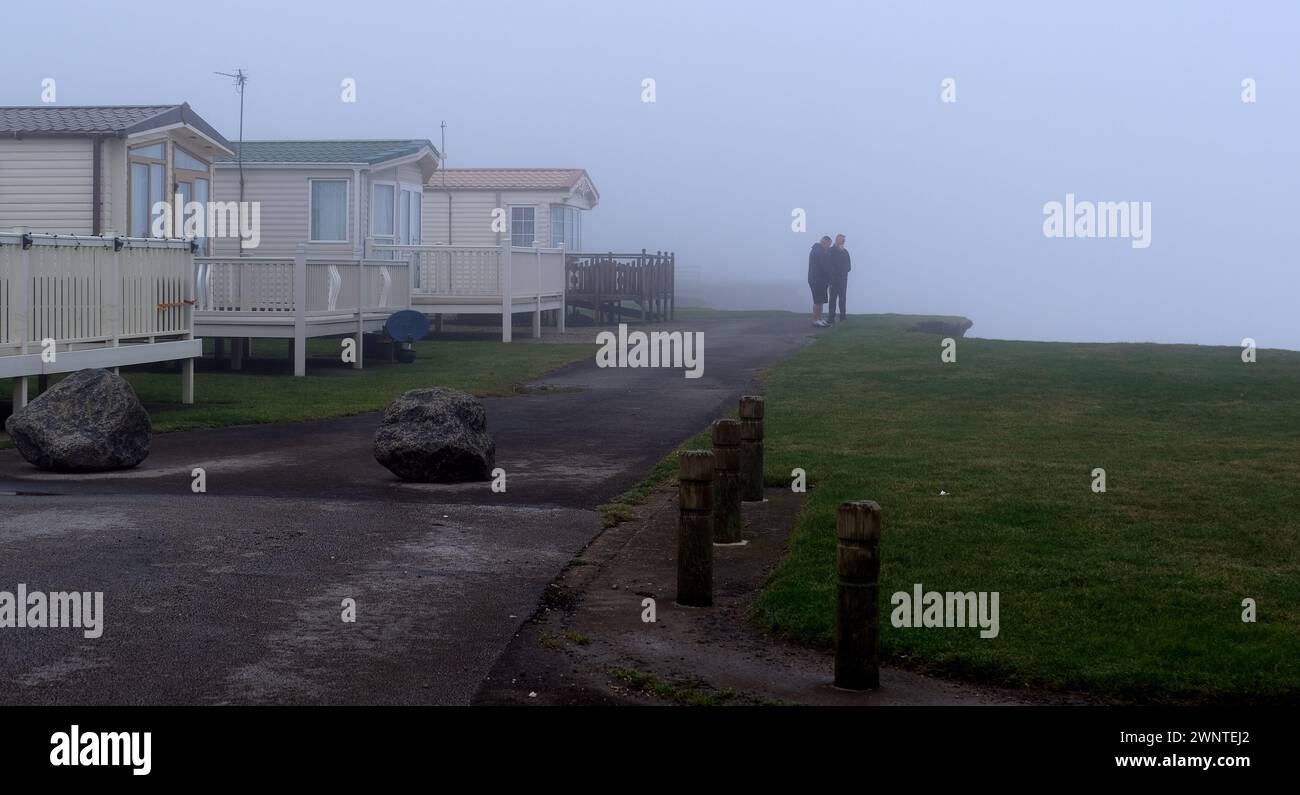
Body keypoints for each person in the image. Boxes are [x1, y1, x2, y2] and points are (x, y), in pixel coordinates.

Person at [808, 235, 832, 327]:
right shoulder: (819, 251)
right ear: (824, 242)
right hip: (817, 280)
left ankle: (819, 319)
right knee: (818, 301)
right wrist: (831, 275)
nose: (829, 246)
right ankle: (816, 320)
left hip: (820, 280)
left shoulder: (820, 250)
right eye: (828, 244)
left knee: (820, 301)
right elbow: (825, 266)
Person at [827, 233, 851, 323]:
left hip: (843, 279)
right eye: (842, 240)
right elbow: (828, 265)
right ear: (837, 240)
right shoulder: (830, 251)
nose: (843, 242)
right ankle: (831, 318)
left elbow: (849, 266)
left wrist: (843, 271)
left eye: (844, 240)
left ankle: (843, 317)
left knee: (842, 298)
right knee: (832, 299)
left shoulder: (845, 252)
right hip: (833, 279)